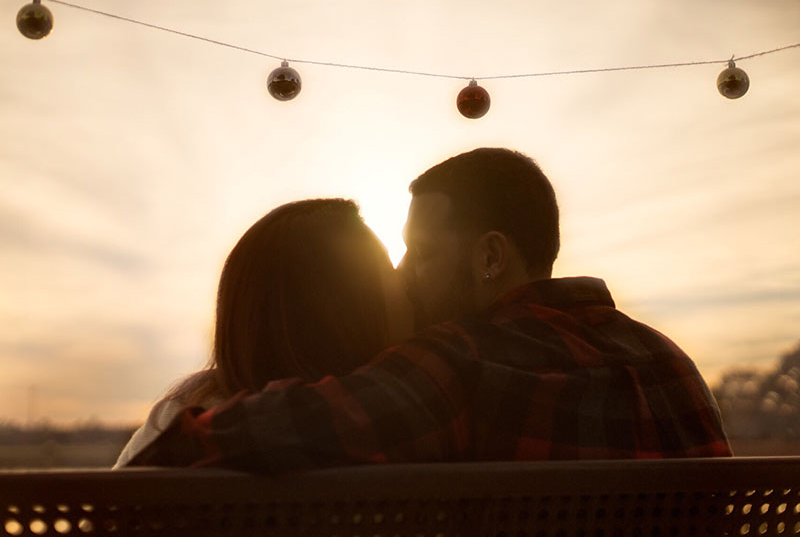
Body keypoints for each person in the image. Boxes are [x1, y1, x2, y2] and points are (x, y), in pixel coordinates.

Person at [128, 148, 731, 470]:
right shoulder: (671, 362)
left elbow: (254, 433)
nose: (403, 276)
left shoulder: (460, 364)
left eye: (419, 253)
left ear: (490, 256)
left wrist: (177, 421)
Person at [114, 198, 413, 466]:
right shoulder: (382, 419)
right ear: (351, 308)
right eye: (388, 273)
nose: (407, 281)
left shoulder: (183, 418)